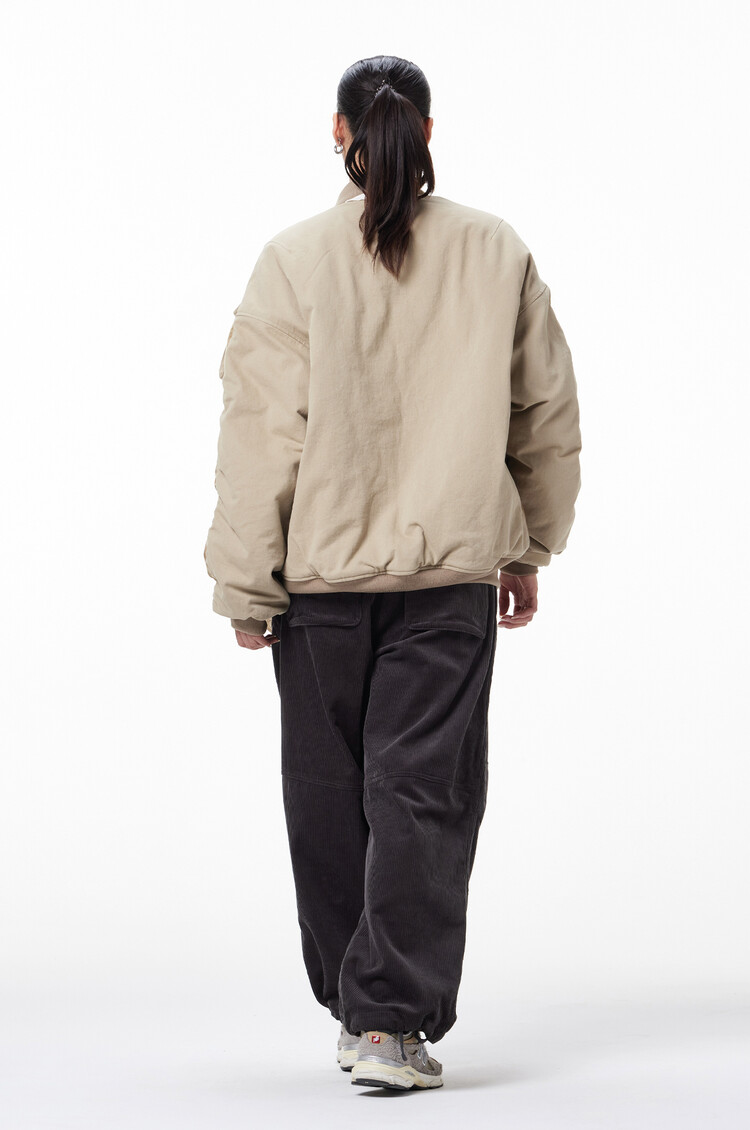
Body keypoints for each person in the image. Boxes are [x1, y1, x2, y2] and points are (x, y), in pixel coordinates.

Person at [204, 54, 582, 1092]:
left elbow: (259, 434)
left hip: (319, 584)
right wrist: (529, 546)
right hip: (449, 577)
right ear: (429, 129)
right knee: (420, 793)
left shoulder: (293, 259)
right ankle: (385, 1019)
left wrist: (246, 581)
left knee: (328, 796)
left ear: (339, 133)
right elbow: (546, 416)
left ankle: (363, 1006)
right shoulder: (493, 249)